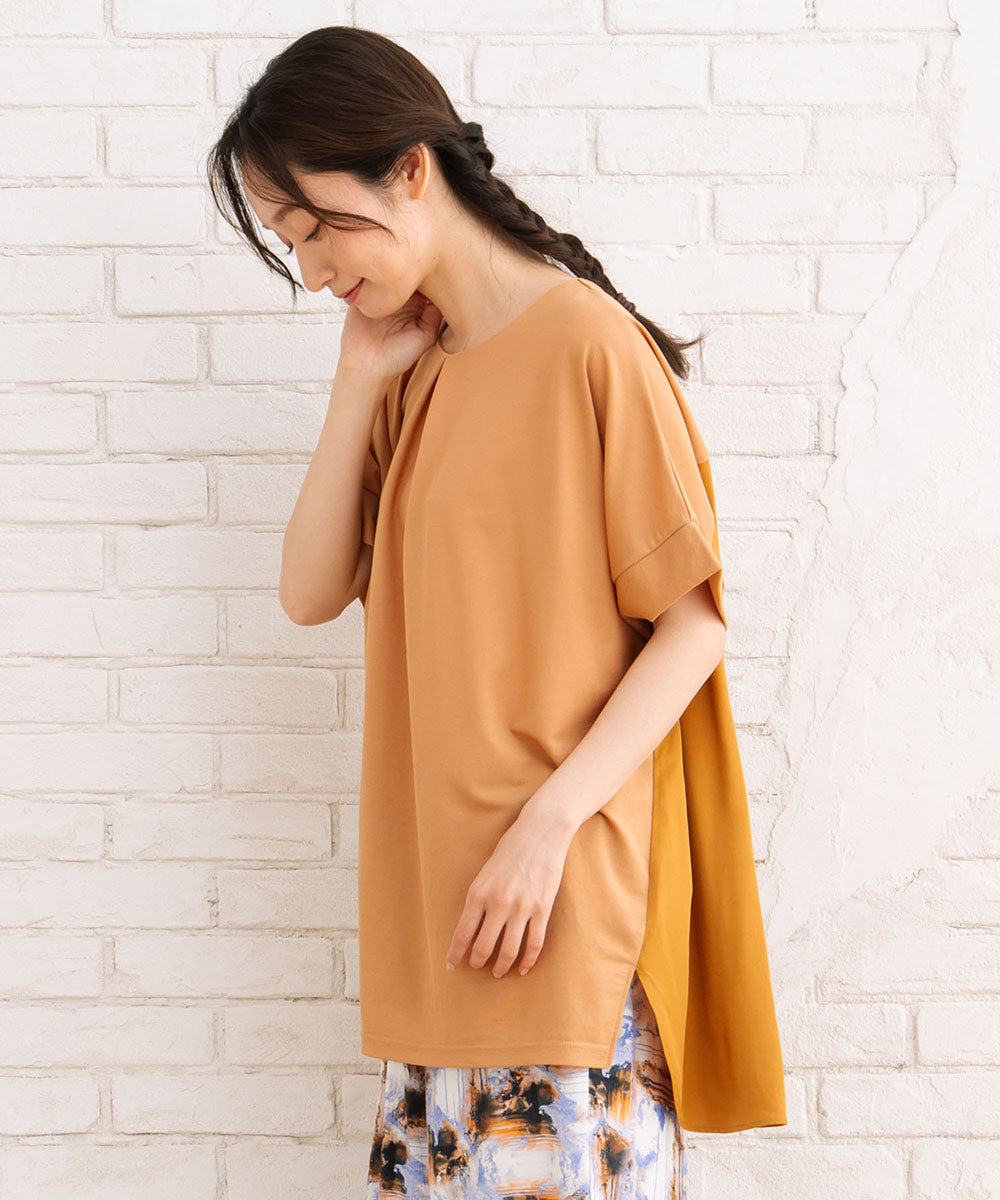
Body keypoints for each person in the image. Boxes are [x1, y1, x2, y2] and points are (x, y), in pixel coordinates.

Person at [207, 24, 787, 1198]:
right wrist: (358, 379)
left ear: (409, 169)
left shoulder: (587, 344)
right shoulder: (414, 368)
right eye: (290, 244)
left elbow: (693, 627)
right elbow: (309, 592)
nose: (313, 272)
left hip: (557, 913)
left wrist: (545, 827)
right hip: (440, 925)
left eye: (317, 228)